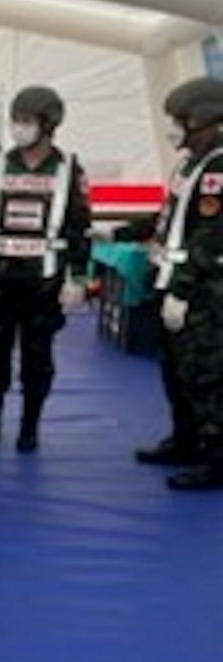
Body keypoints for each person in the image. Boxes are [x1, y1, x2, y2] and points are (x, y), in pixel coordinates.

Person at [0, 85, 91, 451]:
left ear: (48, 125)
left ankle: (29, 426)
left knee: (38, 358)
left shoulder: (68, 169)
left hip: (43, 280)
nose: (18, 128)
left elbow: (80, 226)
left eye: (27, 121)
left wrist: (77, 277)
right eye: (15, 120)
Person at [133, 76, 223, 489]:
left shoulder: (219, 167)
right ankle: (185, 440)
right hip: (173, 283)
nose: (175, 127)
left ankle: (216, 457)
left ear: (204, 119)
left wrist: (183, 290)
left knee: (206, 375)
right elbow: (169, 219)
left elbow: (211, 235)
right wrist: (122, 233)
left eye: (180, 119)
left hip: (203, 292)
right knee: (176, 371)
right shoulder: (191, 164)